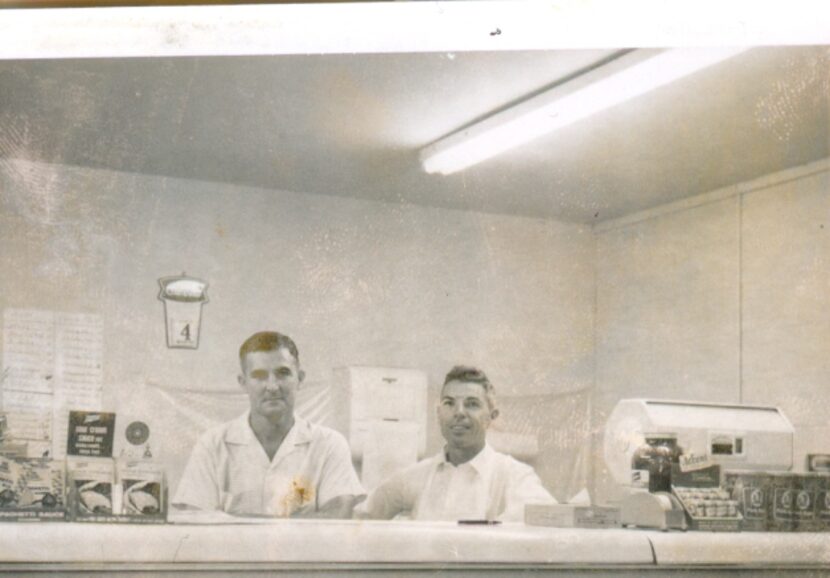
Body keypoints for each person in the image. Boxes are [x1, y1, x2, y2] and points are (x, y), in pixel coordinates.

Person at [173, 331, 363, 518]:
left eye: (283, 373)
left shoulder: (329, 443)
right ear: (243, 382)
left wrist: (235, 522)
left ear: (300, 379)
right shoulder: (212, 445)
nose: (272, 386)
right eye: (259, 375)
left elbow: (338, 514)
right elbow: (195, 519)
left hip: (305, 551)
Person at [357, 365, 555, 521]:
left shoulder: (515, 477)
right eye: (449, 403)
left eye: (472, 404)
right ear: (439, 414)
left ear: (491, 417)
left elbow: (549, 527)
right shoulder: (416, 476)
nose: (459, 412)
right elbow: (360, 518)